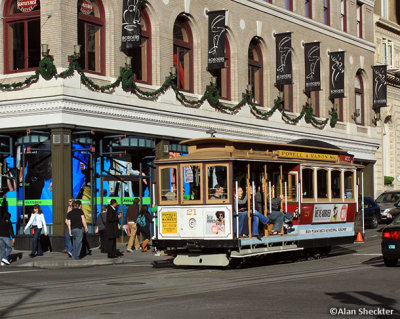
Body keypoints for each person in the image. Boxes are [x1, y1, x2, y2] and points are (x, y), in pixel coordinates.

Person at [0, 196, 15, 266]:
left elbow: (3, 209)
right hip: (6, 236)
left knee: (2, 249)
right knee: (9, 247)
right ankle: (5, 258)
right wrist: (13, 237)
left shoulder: (1, 221)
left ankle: (2, 261)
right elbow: (10, 230)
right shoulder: (8, 222)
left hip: (0, 236)